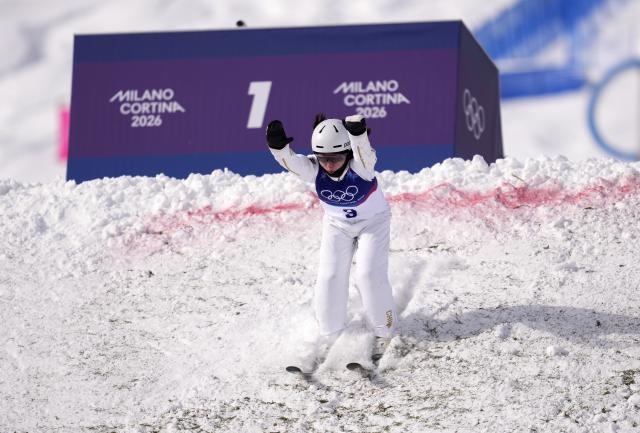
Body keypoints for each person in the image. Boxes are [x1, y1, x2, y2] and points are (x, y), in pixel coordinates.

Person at [266, 113, 397, 367]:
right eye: (324, 158)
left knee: (368, 275)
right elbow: (290, 162)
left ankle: (384, 332)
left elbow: (364, 152)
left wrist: (358, 134)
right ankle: (331, 334)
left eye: (335, 158)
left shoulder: (362, 165)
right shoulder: (314, 167)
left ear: (347, 153)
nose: (328, 164)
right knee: (329, 277)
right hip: (337, 224)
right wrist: (277, 146)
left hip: (373, 223)